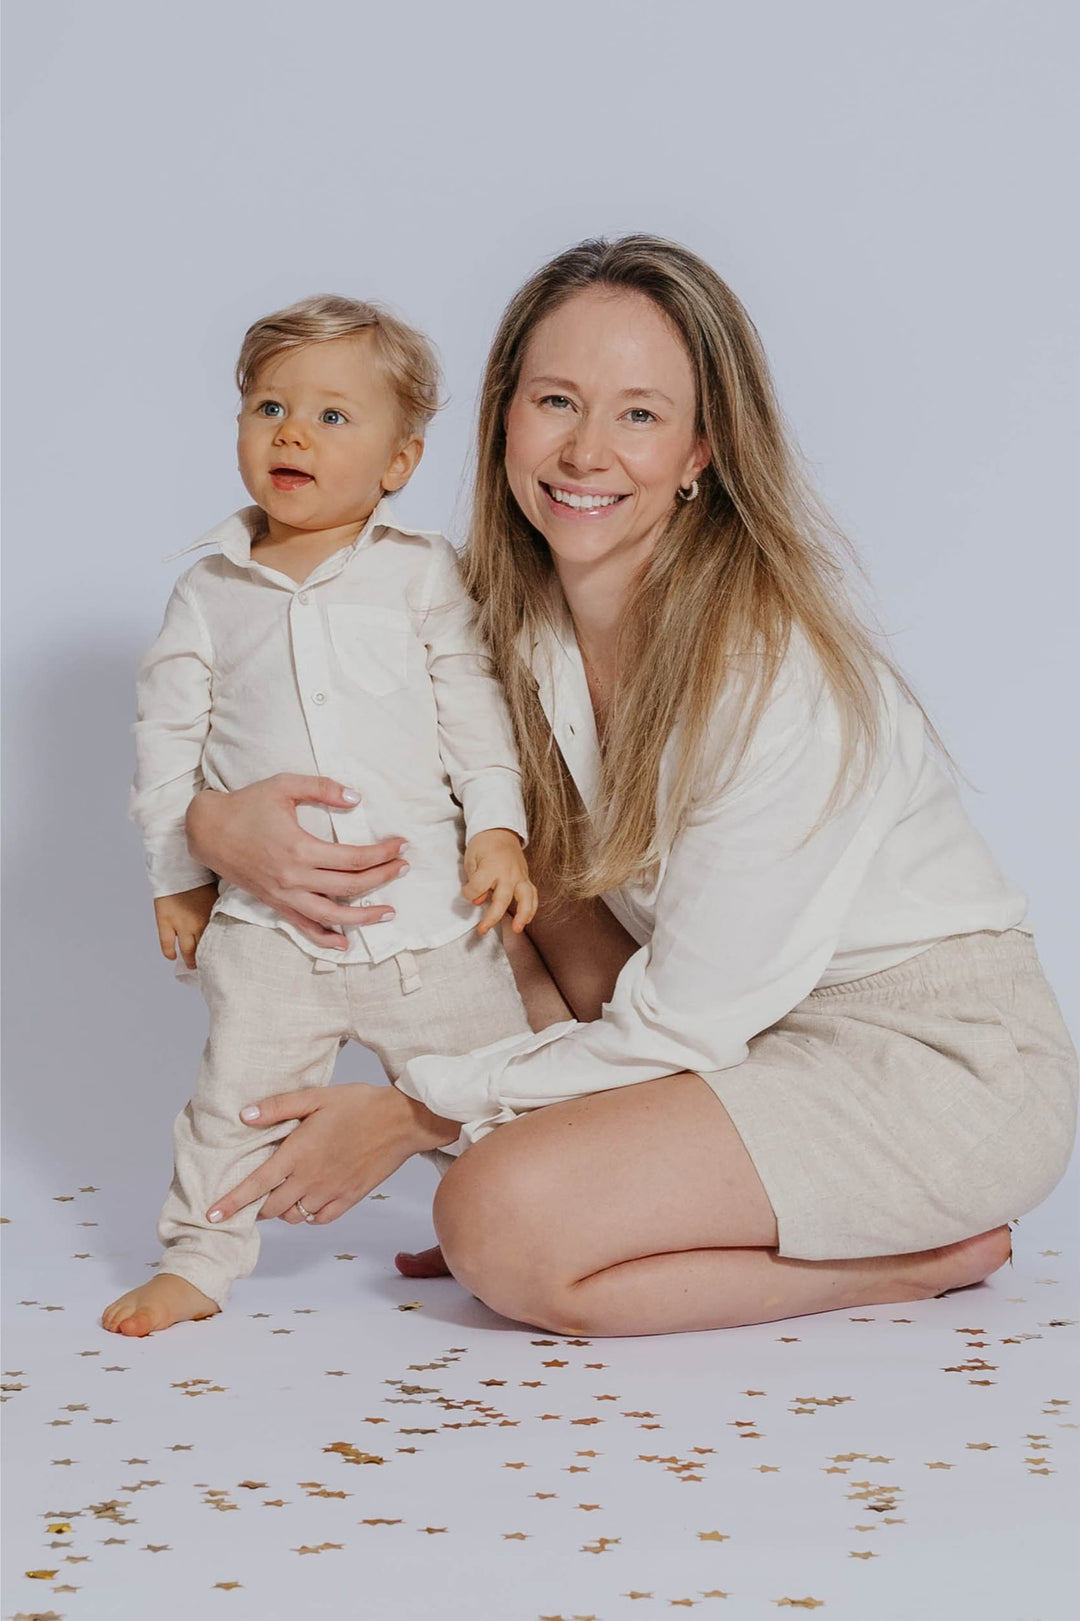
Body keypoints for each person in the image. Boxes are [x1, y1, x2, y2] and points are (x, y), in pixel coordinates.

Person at [179, 238, 1078, 1339]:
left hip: (928, 1061)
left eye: (640, 415)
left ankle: (905, 1265)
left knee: (496, 1225)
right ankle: (584, 1187)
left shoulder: (765, 674)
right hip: (736, 1031)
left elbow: (688, 1022)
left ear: (703, 447)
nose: (586, 450)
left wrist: (421, 1114)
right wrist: (211, 825)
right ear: (503, 414)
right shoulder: (489, 617)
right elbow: (331, 750)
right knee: (483, 851)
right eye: (556, 399)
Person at [102, 294, 539, 1337]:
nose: (292, 430)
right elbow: (166, 742)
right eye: (268, 406)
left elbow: (474, 710)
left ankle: (483, 1222)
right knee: (231, 1108)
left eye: (334, 416)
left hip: (430, 921)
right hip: (271, 935)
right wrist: (177, 873)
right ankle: (200, 1260)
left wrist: (498, 829)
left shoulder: (421, 573)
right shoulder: (209, 593)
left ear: (401, 462)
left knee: (497, 1096)